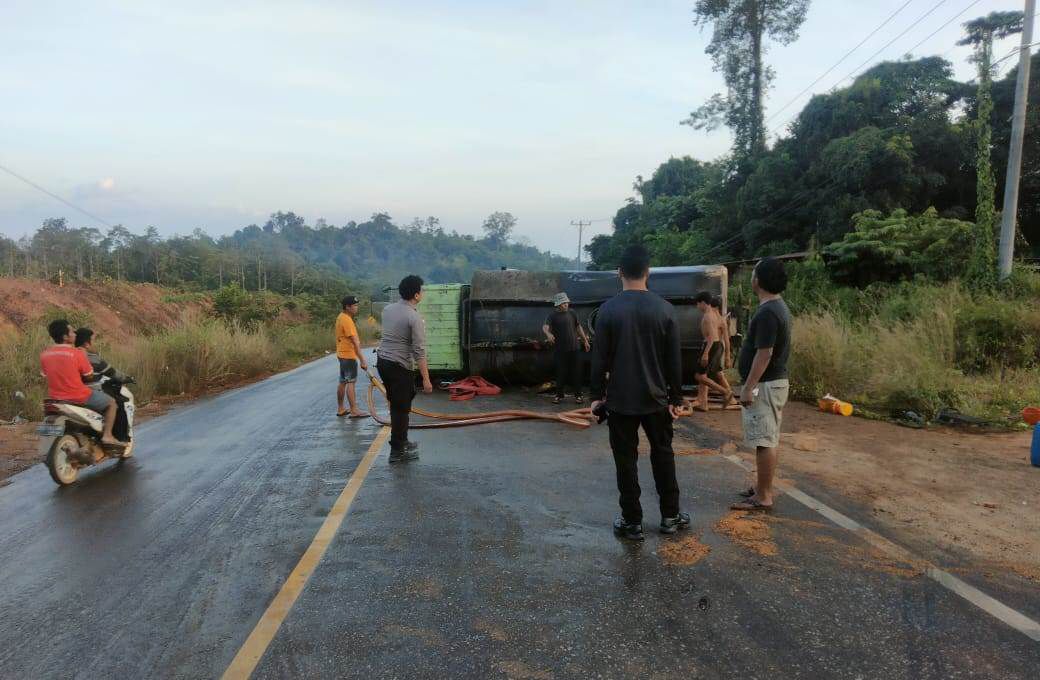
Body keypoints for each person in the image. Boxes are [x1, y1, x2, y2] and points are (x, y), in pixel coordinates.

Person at [590, 245, 689, 541]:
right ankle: (670, 516)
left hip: (620, 401)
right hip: (656, 400)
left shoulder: (607, 311)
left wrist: (596, 396)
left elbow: (599, 360)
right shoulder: (665, 309)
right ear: (648, 272)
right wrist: (676, 398)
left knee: (625, 461)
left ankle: (632, 522)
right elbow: (674, 361)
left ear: (619, 273)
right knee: (663, 455)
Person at [732, 257, 792, 513]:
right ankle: (761, 487)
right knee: (767, 438)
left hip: (765, 385)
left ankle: (763, 496)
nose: (751, 277)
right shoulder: (776, 307)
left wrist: (748, 387)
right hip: (770, 384)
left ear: (759, 280)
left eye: (753, 273)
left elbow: (764, 354)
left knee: (765, 440)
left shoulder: (768, 312)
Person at [376, 275, 433, 464]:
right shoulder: (414, 317)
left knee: (397, 404)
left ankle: (403, 441)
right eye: (421, 290)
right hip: (399, 365)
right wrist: (426, 379)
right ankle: (397, 451)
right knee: (401, 409)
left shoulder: (387, 309)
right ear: (416, 295)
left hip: (383, 362)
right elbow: (419, 351)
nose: (422, 293)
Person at [39, 319, 121, 447]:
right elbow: (89, 376)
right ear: (65, 337)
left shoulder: (45, 355)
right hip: (78, 396)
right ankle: (107, 435)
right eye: (72, 332)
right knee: (111, 403)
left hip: (55, 399)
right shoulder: (77, 353)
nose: (75, 334)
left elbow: (45, 375)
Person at [542, 292, 590, 404]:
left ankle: (578, 395)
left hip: (575, 348)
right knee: (560, 373)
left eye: (567, 303)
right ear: (558, 305)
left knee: (577, 373)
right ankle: (559, 395)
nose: (566, 305)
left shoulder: (572, 313)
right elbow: (545, 327)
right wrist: (548, 334)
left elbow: (578, 327)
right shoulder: (552, 316)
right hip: (560, 350)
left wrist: (585, 341)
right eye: (563, 303)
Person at [692, 291, 731, 411]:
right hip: (715, 346)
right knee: (705, 375)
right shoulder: (715, 316)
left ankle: (725, 392)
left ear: (703, 303)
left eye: (698, 304)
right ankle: (703, 403)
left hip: (711, 346)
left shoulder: (708, 316)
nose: (697, 306)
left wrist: (705, 353)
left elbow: (712, 337)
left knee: (699, 376)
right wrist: (727, 355)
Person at [335, 295, 369, 418]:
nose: (356, 307)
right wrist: (362, 360)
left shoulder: (341, 317)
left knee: (343, 381)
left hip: (341, 354)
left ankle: (341, 408)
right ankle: (354, 410)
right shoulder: (347, 320)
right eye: (354, 305)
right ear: (347, 307)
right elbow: (355, 341)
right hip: (348, 355)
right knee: (351, 382)